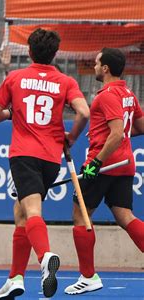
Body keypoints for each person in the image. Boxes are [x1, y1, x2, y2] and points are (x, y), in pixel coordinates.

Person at [0, 28, 90, 299]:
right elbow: (84, 112)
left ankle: (45, 257)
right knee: (20, 212)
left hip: (24, 154)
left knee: (31, 211)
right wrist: (71, 137)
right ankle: (15, 278)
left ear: (29, 51)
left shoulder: (15, 78)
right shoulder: (66, 81)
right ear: (55, 53)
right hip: (51, 158)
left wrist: (13, 112)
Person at [64, 48, 144, 295]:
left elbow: (118, 132)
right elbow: (139, 128)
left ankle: (88, 277)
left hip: (105, 165)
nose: (95, 66)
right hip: (123, 164)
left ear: (106, 68)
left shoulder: (106, 96)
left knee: (80, 214)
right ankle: (88, 276)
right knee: (125, 217)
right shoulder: (128, 93)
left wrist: (96, 162)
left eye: (97, 63)